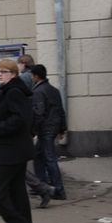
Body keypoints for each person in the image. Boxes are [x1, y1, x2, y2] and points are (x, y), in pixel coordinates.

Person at [0, 58, 35, 223]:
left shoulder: (13, 92)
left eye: (4, 71)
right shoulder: (11, 91)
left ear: (13, 74)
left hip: (11, 150)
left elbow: (19, 120)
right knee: (17, 190)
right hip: (15, 149)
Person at [30, 64, 67, 202]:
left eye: (32, 75)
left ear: (36, 76)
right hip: (52, 128)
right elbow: (60, 110)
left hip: (45, 129)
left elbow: (38, 113)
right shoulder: (54, 90)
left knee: (49, 159)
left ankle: (57, 189)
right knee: (39, 156)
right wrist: (62, 128)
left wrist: (32, 130)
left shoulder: (39, 91)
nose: (31, 77)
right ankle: (43, 187)